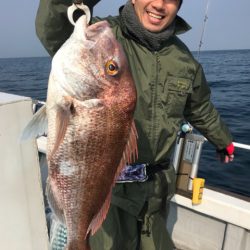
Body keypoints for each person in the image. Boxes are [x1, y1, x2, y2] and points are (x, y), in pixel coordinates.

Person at [36, 0, 235, 249]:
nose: (160, 5)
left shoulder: (184, 59)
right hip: (108, 192)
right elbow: (52, 25)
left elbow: (199, 107)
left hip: (156, 194)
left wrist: (222, 140)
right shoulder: (100, 35)